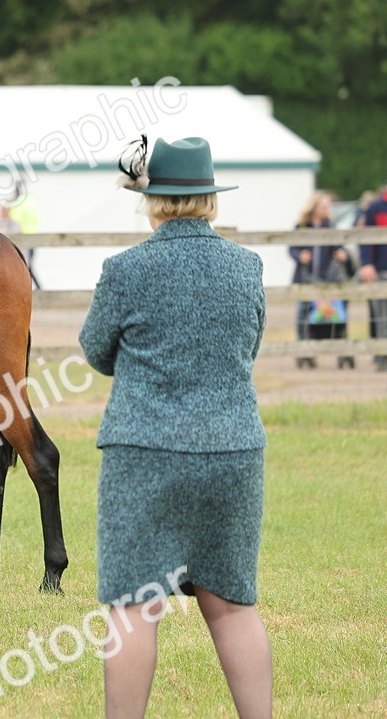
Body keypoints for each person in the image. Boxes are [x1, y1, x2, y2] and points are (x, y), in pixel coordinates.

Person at [80, 137, 272, 719]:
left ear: (153, 200)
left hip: (144, 449)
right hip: (233, 448)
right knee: (233, 606)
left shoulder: (125, 269)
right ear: (211, 197)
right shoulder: (248, 267)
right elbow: (248, 348)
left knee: (134, 607)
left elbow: (95, 350)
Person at [290, 192, 355, 369]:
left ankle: (343, 353)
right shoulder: (302, 226)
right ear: (314, 207)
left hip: (327, 279)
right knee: (303, 315)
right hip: (305, 277)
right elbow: (292, 248)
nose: (326, 209)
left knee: (336, 314)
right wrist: (299, 255)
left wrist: (343, 254)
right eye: (323, 205)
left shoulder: (330, 227)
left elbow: (339, 247)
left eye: (328, 206)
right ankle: (304, 353)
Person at [357, 180, 387, 371]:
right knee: (381, 316)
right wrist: (367, 264)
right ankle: (382, 353)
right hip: (381, 270)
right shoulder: (375, 208)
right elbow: (365, 240)